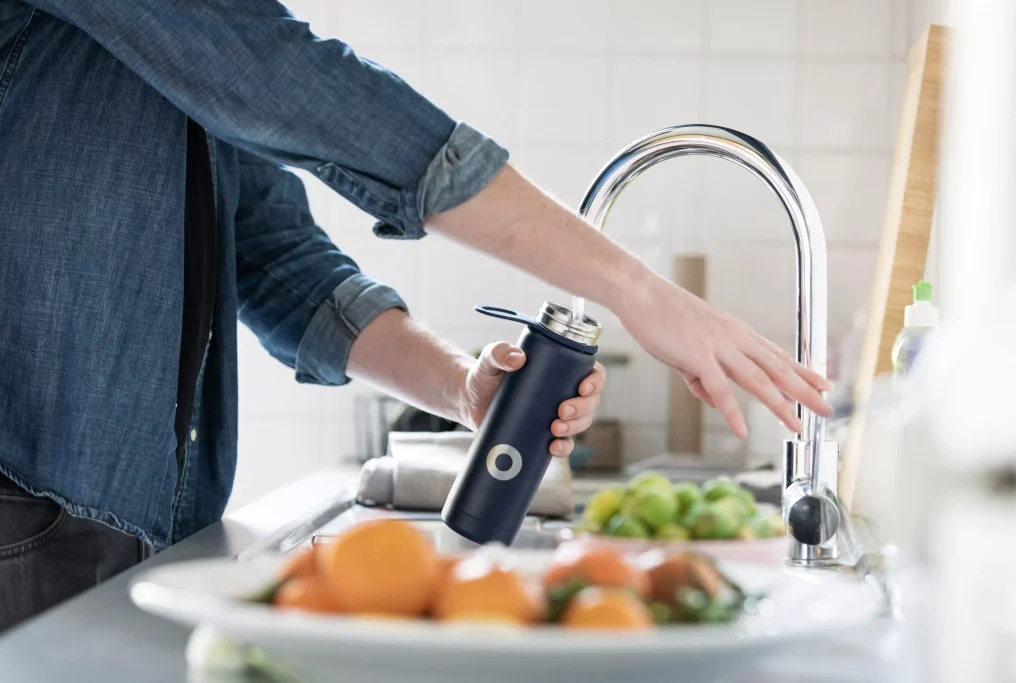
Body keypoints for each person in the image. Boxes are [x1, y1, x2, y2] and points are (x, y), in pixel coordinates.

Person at [0, 1, 832, 631]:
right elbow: (297, 85)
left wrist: (463, 387)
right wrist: (637, 291)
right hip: (23, 516)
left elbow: (275, 258)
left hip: (138, 525)